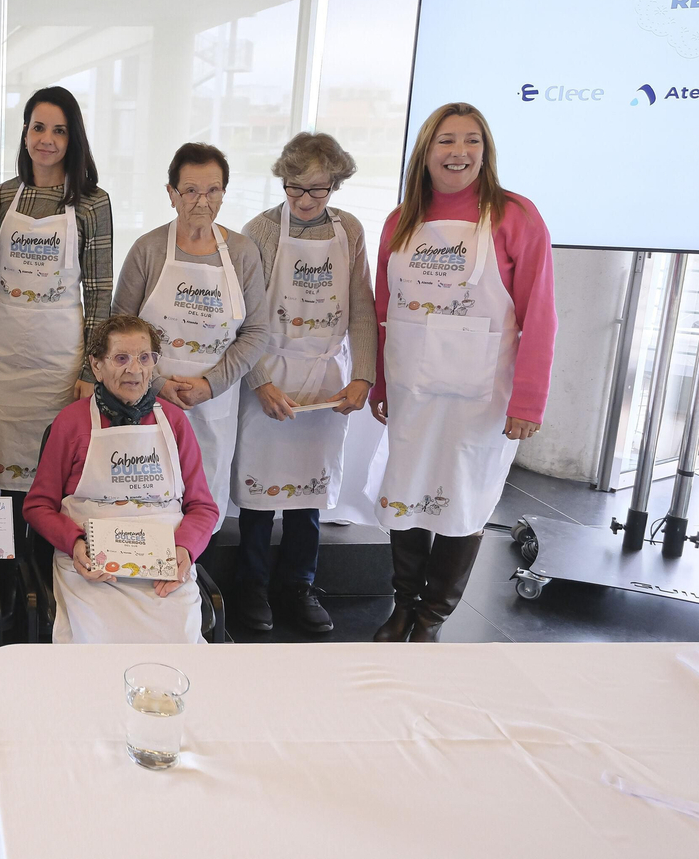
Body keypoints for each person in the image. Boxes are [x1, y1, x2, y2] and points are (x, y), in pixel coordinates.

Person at [370, 103, 555, 642]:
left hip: (482, 396)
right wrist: (381, 383)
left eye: (472, 141)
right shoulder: (401, 219)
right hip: (413, 389)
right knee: (406, 495)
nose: (459, 152)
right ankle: (402, 606)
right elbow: (385, 310)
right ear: (425, 152)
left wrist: (529, 400)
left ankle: (431, 619)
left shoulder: (515, 216)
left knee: (463, 501)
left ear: (486, 151)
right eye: (446, 141)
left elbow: (540, 315)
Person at [230, 133, 377, 635]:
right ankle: (249, 584)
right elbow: (243, 319)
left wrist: (363, 375)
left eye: (318, 190)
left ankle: (296, 585)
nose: (306, 201)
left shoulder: (349, 230)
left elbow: (362, 305)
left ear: (337, 183)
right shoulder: (261, 231)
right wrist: (260, 383)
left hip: (324, 378)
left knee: (308, 493)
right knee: (257, 492)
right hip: (269, 373)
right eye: (295, 189)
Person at [23, 315, 218, 645]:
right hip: (93, 568)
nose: (134, 369)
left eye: (145, 358)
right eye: (121, 358)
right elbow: (37, 506)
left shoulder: (174, 422)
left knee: (178, 642)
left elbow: (203, 507)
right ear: (96, 366)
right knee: (95, 644)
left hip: (163, 567)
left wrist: (186, 549)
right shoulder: (70, 423)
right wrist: (75, 543)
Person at [112, 142, 269, 529]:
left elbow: (256, 332)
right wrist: (158, 383)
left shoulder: (243, 253)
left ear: (224, 194)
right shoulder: (147, 250)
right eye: (191, 191)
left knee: (201, 508)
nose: (203, 201)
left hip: (213, 405)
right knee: (145, 502)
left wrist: (210, 384)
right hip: (148, 399)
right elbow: (118, 326)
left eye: (213, 190)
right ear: (171, 194)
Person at [0, 87, 113, 494]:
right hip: (4, 355)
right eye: (38, 128)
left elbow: (100, 293)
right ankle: (6, 554)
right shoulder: (2, 197)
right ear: (24, 132)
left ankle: (45, 555)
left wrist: (92, 368)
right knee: (0, 461)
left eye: (59, 131)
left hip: (61, 361)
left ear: (73, 139)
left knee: (59, 467)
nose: (46, 140)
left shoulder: (92, 202)